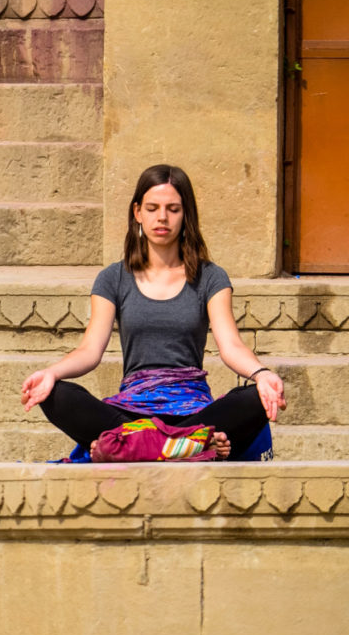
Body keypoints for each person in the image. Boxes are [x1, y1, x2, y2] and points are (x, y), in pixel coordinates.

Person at [20, 164, 286, 461]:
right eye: (152, 208)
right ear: (137, 212)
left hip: (193, 411)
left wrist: (262, 374)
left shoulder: (211, 277)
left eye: (173, 209)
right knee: (57, 394)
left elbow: (231, 345)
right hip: (131, 412)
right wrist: (51, 373)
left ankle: (132, 446)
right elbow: (89, 350)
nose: (162, 217)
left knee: (255, 398)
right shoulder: (113, 278)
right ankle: (183, 446)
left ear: (186, 214)